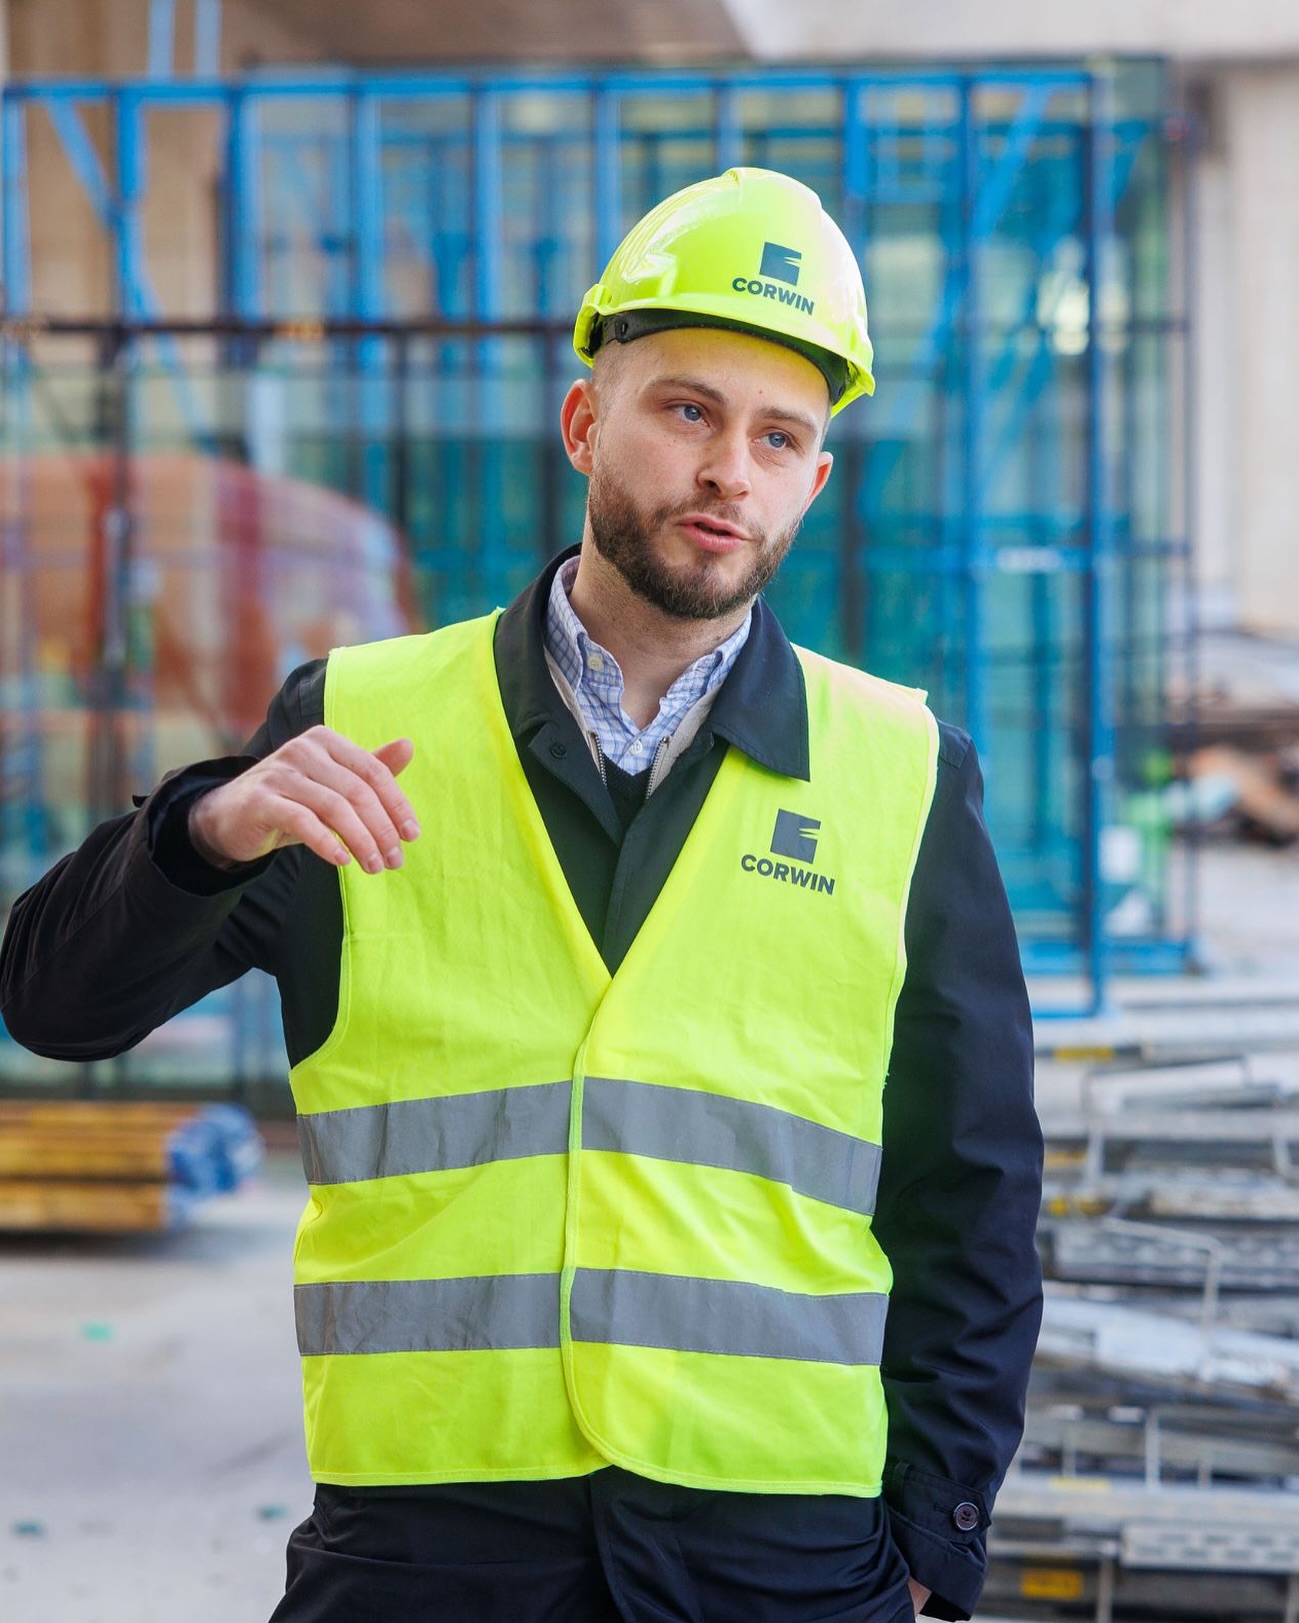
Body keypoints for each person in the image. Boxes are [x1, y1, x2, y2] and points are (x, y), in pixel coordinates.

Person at [0, 167, 1041, 1623]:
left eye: (778, 435)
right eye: (687, 410)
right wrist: (205, 829)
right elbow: (50, 1001)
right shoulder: (360, 722)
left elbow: (974, 1188)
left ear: (814, 476)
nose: (727, 468)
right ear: (584, 424)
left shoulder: (906, 774)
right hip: (430, 1547)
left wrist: (938, 1528)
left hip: (779, 1551)